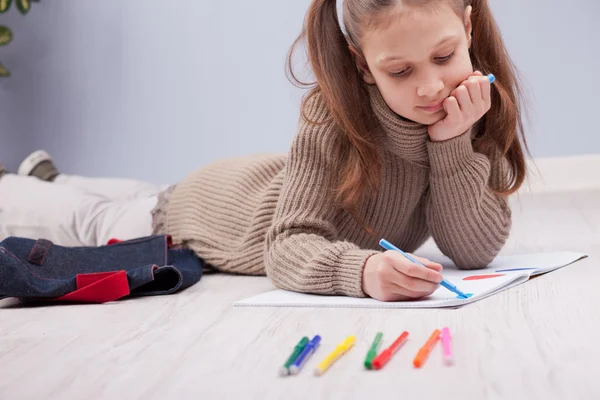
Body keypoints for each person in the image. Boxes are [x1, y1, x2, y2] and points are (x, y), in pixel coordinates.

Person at [0, 0, 529, 302]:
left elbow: (474, 251)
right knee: (103, 217)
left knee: (138, 191)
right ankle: (27, 183)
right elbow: (287, 245)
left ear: (467, 24)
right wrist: (362, 273)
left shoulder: (473, 109)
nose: (432, 88)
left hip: (264, 177)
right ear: (363, 65)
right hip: (212, 210)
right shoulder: (332, 115)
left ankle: (51, 175)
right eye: (400, 71)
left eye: (444, 56)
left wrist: (451, 144)